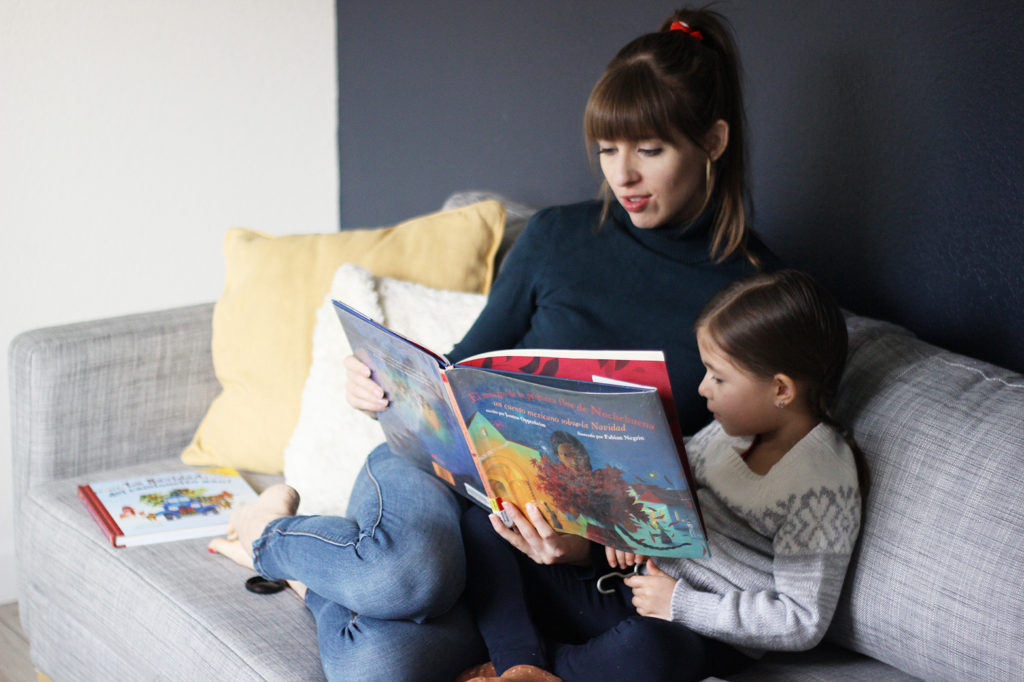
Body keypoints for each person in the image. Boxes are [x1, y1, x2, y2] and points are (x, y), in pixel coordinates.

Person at [209, 6, 780, 681]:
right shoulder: (557, 240)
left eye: (649, 150)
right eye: (607, 149)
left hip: (552, 561)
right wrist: (379, 384)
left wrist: (585, 549)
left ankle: (318, 582)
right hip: (444, 494)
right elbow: (455, 373)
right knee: (407, 570)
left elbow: (721, 495)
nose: (621, 175)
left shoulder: (756, 298)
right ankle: (266, 534)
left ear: (712, 142)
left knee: (381, 665)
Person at [459, 269, 866, 681]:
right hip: (621, 584)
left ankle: (539, 668)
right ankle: (519, 664)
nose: (703, 388)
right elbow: (664, 492)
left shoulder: (821, 485)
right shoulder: (730, 434)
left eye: (719, 377)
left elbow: (801, 618)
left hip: (698, 629)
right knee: (487, 520)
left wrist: (680, 604)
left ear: (781, 390)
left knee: (648, 651)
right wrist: (614, 528)